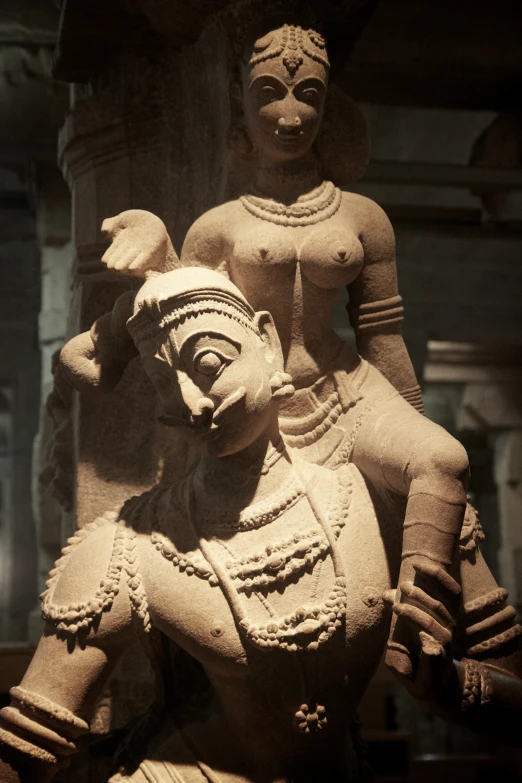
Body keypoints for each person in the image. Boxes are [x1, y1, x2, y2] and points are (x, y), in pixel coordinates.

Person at [62, 18, 477, 678]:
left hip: (350, 388)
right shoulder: (219, 225)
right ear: (240, 101)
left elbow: (383, 336)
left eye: (308, 93)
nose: (291, 114)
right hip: (261, 404)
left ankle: (415, 637)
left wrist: (413, 420)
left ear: (327, 100)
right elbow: (185, 303)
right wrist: (127, 307)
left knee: (442, 459)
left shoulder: (364, 218)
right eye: (270, 93)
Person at [1, 269, 521, 783]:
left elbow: (512, 695)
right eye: (164, 382)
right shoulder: (135, 543)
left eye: (209, 363)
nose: (191, 403)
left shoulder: (388, 503)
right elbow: (28, 742)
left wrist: (448, 687)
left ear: (267, 341)